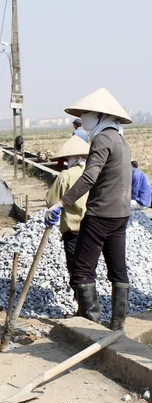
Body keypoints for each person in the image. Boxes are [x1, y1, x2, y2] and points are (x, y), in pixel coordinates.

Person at [45, 88, 132, 330]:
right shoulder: (121, 140)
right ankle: (118, 326)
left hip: (100, 214)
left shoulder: (102, 139)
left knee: (82, 271)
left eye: (87, 114)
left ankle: (91, 327)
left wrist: (62, 202)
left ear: (101, 116)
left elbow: (88, 177)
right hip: (121, 214)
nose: (83, 119)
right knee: (118, 269)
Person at [45, 136, 90, 280]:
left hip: (74, 230)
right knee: (88, 267)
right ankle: (89, 298)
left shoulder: (67, 175)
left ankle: (80, 298)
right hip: (93, 228)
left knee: (75, 267)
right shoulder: (94, 173)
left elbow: (51, 200)